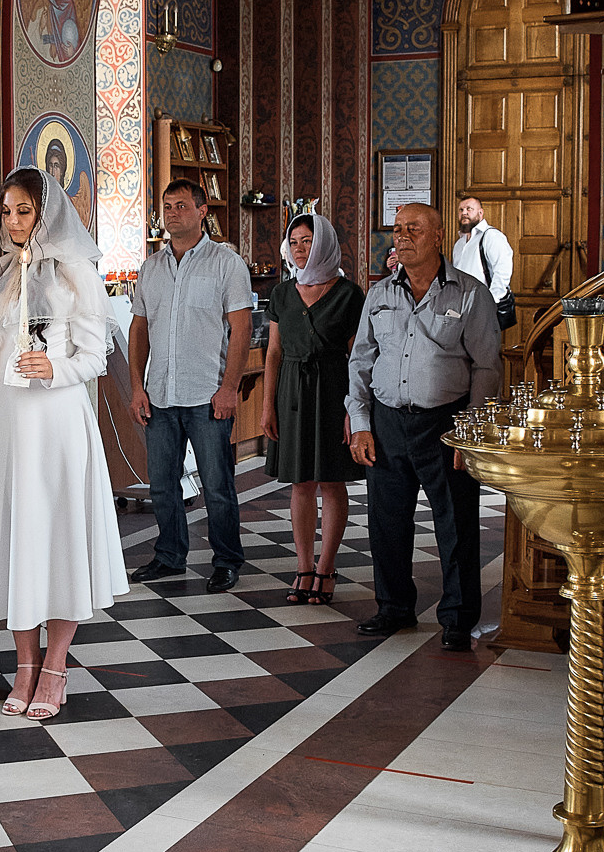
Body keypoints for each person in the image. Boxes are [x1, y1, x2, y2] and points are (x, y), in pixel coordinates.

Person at [0, 167, 126, 722]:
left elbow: (95, 358)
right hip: (6, 428)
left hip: (56, 426)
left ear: (46, 213)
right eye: (6, 212)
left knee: (57, 538)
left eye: (23, 211)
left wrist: (54, 368)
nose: (13, 221)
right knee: (17, 540)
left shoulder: (78, 274)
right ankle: (23, 665)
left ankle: (55, 665)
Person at [347, 202, 504, 650]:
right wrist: (360, 422)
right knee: (386, 523)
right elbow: (360, 361)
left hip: (445, 422)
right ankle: (394, 607)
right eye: (398, 229)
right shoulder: (380, 294)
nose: (402, 236)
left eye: (413, 229)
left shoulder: (470, 294)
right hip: (386, 422)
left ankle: (457, 618)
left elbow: (487, 368)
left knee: (455, 523)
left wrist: (469, 433)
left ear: (438, 237)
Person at [127, 178, 254, 591]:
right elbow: (139, 331)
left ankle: (227, 560)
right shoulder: (151, 268)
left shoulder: (225, 264)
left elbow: (241, 329)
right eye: (167, 206)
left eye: (181, 205)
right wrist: (137, 388)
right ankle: (169, 556)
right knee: (163, 485)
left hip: (207, 394)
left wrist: (229, 388)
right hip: (160, 394)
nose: (172, 213)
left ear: (203, 211)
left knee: (217, 485)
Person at [261, 212, 364, 606]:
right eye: (294, 242)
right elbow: (274, 353)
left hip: (335, 390)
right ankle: (303, 567)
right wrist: (267, 406)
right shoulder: (282, 293)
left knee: (332, 481)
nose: (299, 249)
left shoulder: (349, 294)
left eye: (307, 240)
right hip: (291, 393)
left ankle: (326, 567)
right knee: (300, 482)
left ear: (323, 244)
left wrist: (355, 411)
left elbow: (359, 357)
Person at [453, 196, 516, 327]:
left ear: (480, 213)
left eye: (469, 209)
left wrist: (489, 304)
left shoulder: (492, 236)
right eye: (461, 210)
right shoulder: (459, 244)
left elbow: (502, 273)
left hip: (483, 306)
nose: (464, 213)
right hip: (462, 308)